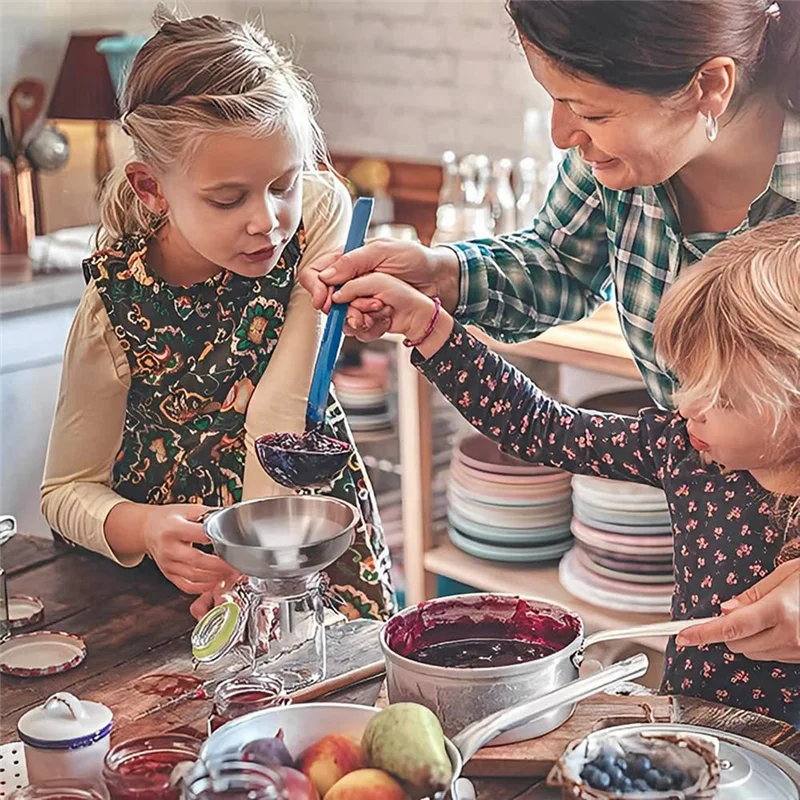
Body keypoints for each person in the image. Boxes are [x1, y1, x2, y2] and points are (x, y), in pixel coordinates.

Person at [300, 0, 800, 676]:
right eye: (556, 101)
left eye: (592, 113)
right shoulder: (688, 445)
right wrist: (437, 280)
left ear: (710, 85)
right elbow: (558, 266)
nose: (564, 133)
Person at [330, 216, 800, 722]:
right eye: (685, 379)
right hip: (692, 724)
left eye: (722, 397)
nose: (686, 406)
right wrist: (429, 326)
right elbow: (535, 425)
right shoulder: (685, 449)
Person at [40, 10, 395, 623]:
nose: (267, 220)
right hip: (177, 581)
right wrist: (148, 528)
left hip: (295, 538)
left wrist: (254, 564)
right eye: (227, 198)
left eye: (282, 183)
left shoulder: (314, 214)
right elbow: (64, 493)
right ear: (151, 188)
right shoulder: (114, 306)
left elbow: (280, 407)